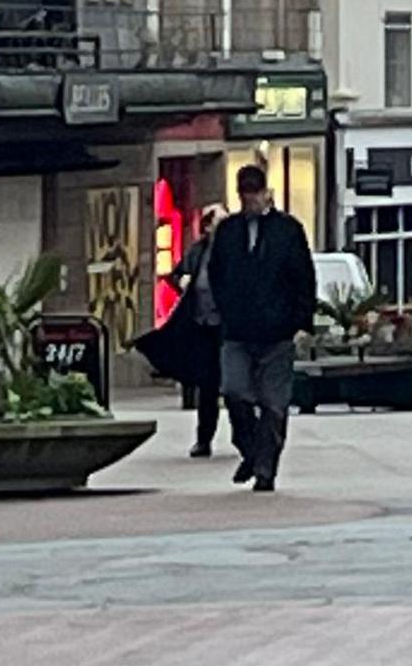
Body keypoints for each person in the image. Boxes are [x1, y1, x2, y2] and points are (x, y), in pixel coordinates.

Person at [206, 165, 315, 492]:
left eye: (254, 192)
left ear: (265, 192)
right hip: (238, 331)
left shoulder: (287, 230)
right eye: (244, 193)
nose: (249, 199)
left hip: (276, 333)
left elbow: (303, 278)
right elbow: (217, 274)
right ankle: (250, 450)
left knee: (273, 404)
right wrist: (226, 310)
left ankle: (266, 468)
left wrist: (299, 321)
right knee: (235, 392)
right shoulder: (228, 232)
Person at [132, 205, 226, 457]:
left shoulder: (232, 251)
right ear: (207, 226)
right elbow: (177, 274)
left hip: (227, 328)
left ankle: (246, 435)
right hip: (201, 325)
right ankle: (203, 438)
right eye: (218, 222)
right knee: (208, 384)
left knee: (236, 385)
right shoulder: (198, 251)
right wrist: (185, 285)